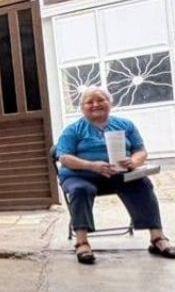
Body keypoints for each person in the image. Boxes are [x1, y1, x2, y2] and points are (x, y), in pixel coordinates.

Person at [56, 85, 175, 264]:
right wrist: (92, 166)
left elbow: (140, 151)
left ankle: (157, 238)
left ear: (110, 103)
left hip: (118, 174)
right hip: (80, 175)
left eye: (101, 100)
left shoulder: (125, 125)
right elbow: (64, 158)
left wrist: (134, 162)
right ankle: (82, 242)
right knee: (80, 189)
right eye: (90, 102)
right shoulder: (73, 129)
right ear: (82, 108)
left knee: (142, 183)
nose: (95, 104)